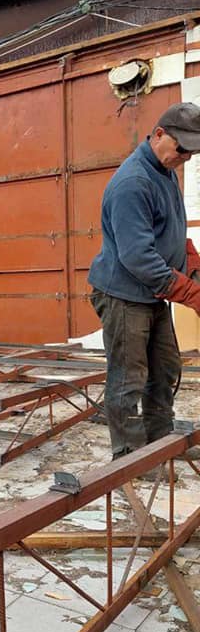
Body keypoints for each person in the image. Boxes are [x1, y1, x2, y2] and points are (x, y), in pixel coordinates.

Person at [87, 101, 200, 462]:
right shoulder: (133, 183)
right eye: (181, 149)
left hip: (151, 295)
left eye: (191, 152)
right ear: (160, 134)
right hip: (124, 295)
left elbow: (172, 231)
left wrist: (193, 265)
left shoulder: (166, 173)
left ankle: (159, 441)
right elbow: (138, 257)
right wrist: (190, 293)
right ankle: (129, 455)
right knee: (128, 377)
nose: (184, 158)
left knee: (165, 368)